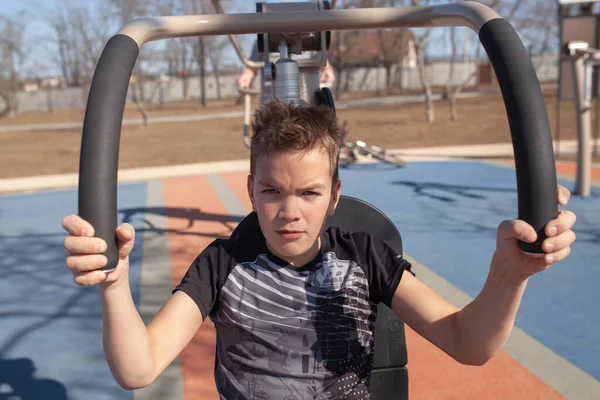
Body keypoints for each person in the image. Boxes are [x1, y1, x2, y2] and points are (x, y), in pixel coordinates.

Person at [62, 100, 577, 398]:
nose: (290, 211)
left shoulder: (366, 257)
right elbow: (138, 367)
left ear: (333, 196)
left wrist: (508, 275)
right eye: (272, 191)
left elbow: (468, 343)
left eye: (309, 193)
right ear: (251, 191)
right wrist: (113, 286)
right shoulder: (222, 264)